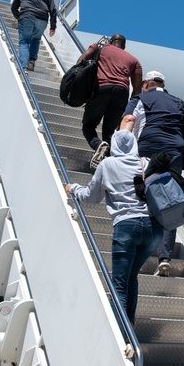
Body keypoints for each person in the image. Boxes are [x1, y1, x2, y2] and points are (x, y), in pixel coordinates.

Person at [64, 129, 162, 325]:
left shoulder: (107, 164)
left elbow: (91, 197)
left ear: (115, 145)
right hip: (153, 228)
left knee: (119, 283)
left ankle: (119, 331)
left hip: (127, 225)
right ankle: (129, 324)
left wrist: (73, 188)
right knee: (132, 274)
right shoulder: (146, 162)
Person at [121, 70, 184, 277]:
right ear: (163, 84)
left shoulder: (140, 98)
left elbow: (127, 119)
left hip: (147, 149)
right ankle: (164, 257)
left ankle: (137, 249)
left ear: (146, 84)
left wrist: (120, 148)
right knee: (169, 201)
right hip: (174, 151)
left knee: (141, 196)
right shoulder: (180, 102)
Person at [77, 34, 143, 169]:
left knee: (88, 125)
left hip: (101, 88)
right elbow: (137, 88)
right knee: (109, 131)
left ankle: (97, 145)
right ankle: (109, 162)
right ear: (124, 46)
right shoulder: (134, 60)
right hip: (122, 93)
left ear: (111, 41)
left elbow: (79, 62)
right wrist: (129, 108)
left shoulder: (100, 47)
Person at [10, 0, 56, 72]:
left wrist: (19, 17)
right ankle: (31, 61)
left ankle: (24, 67)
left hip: (27, 16)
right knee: (36, 39)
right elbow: (53, 10)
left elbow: (14, 7)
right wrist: (53, 26)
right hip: (43, 19)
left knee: (24, 42)